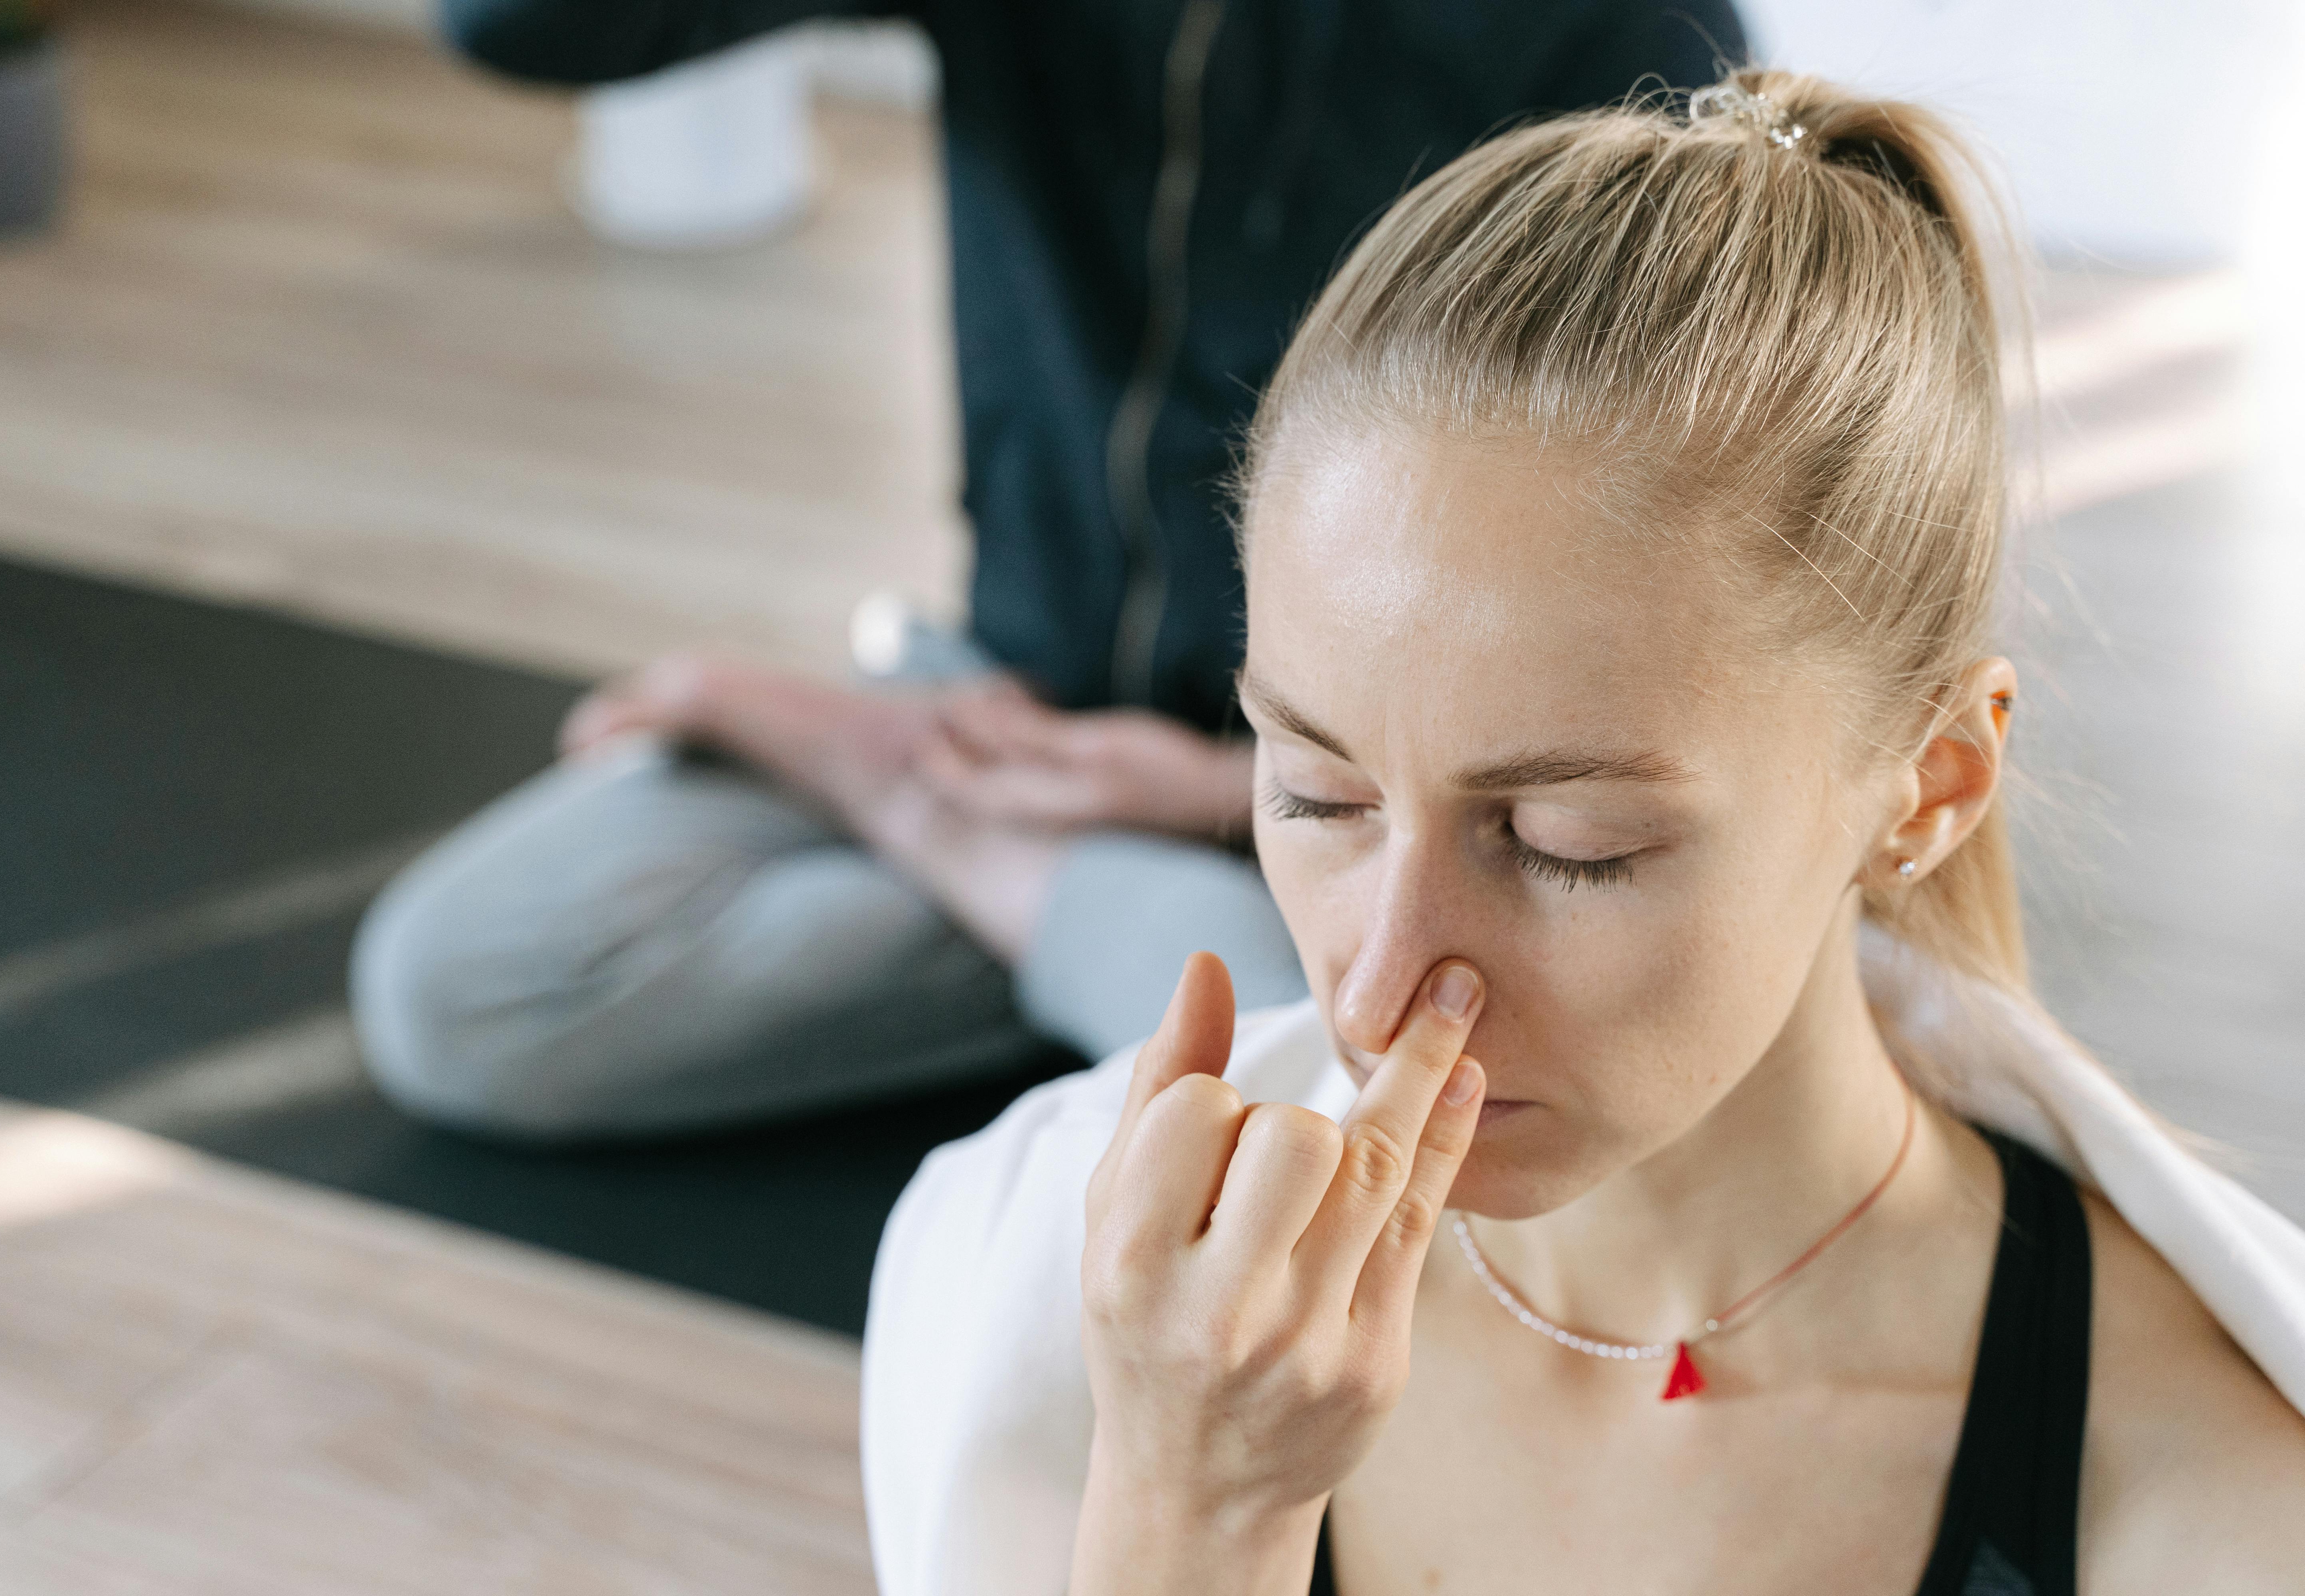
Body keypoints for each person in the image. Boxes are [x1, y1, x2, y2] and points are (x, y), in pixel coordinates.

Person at [861, 71, 2305, 1595]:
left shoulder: (2208, 1509)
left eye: (1569, 841)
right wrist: (1190, 1504)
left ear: (1932, 787)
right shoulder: (1038, 1299)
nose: (1374, 994)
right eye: (1317, 794)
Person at [350, 0, 1746, 1138]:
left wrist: (1223, 796)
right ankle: (1065, 919)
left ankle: (965, 851)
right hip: (991, 712)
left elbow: (1636, 630)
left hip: (1371, 820)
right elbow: (515, 25)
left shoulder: (1610, 36)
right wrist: (988, 771)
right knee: (460, 989)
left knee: (1329, 1132)